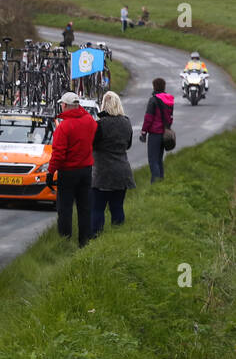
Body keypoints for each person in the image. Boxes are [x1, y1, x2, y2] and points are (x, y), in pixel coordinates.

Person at [48, 91, 96, 246]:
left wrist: (50, 172)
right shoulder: (89, 121)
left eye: (62, 104)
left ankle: (65, 241)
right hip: (86, 170)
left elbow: (59, 154)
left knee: (65, 209)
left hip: (68, 172)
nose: (61, 107)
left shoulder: (64, 126)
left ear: (66, 106)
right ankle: (84, 241)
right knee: (84, 208)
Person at [91, 91, 134, 236]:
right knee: (117, 207)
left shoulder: (99, 125)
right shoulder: (126, 122)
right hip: (122, 172)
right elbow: (128, 145)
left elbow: (92, 145)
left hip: (102, 173)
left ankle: (96, 238)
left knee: (97, 208)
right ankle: (118, 237)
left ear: (103, 105)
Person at [140, 77, 174, 182]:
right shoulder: (169, 100)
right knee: (159, 159)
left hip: (154, 134)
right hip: (164, 133)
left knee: (153, 160)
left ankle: (155, 182)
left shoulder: (153, 100)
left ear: (154, 86)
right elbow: (170, 117)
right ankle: (161, 180)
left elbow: (148, 118)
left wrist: (144, 131)